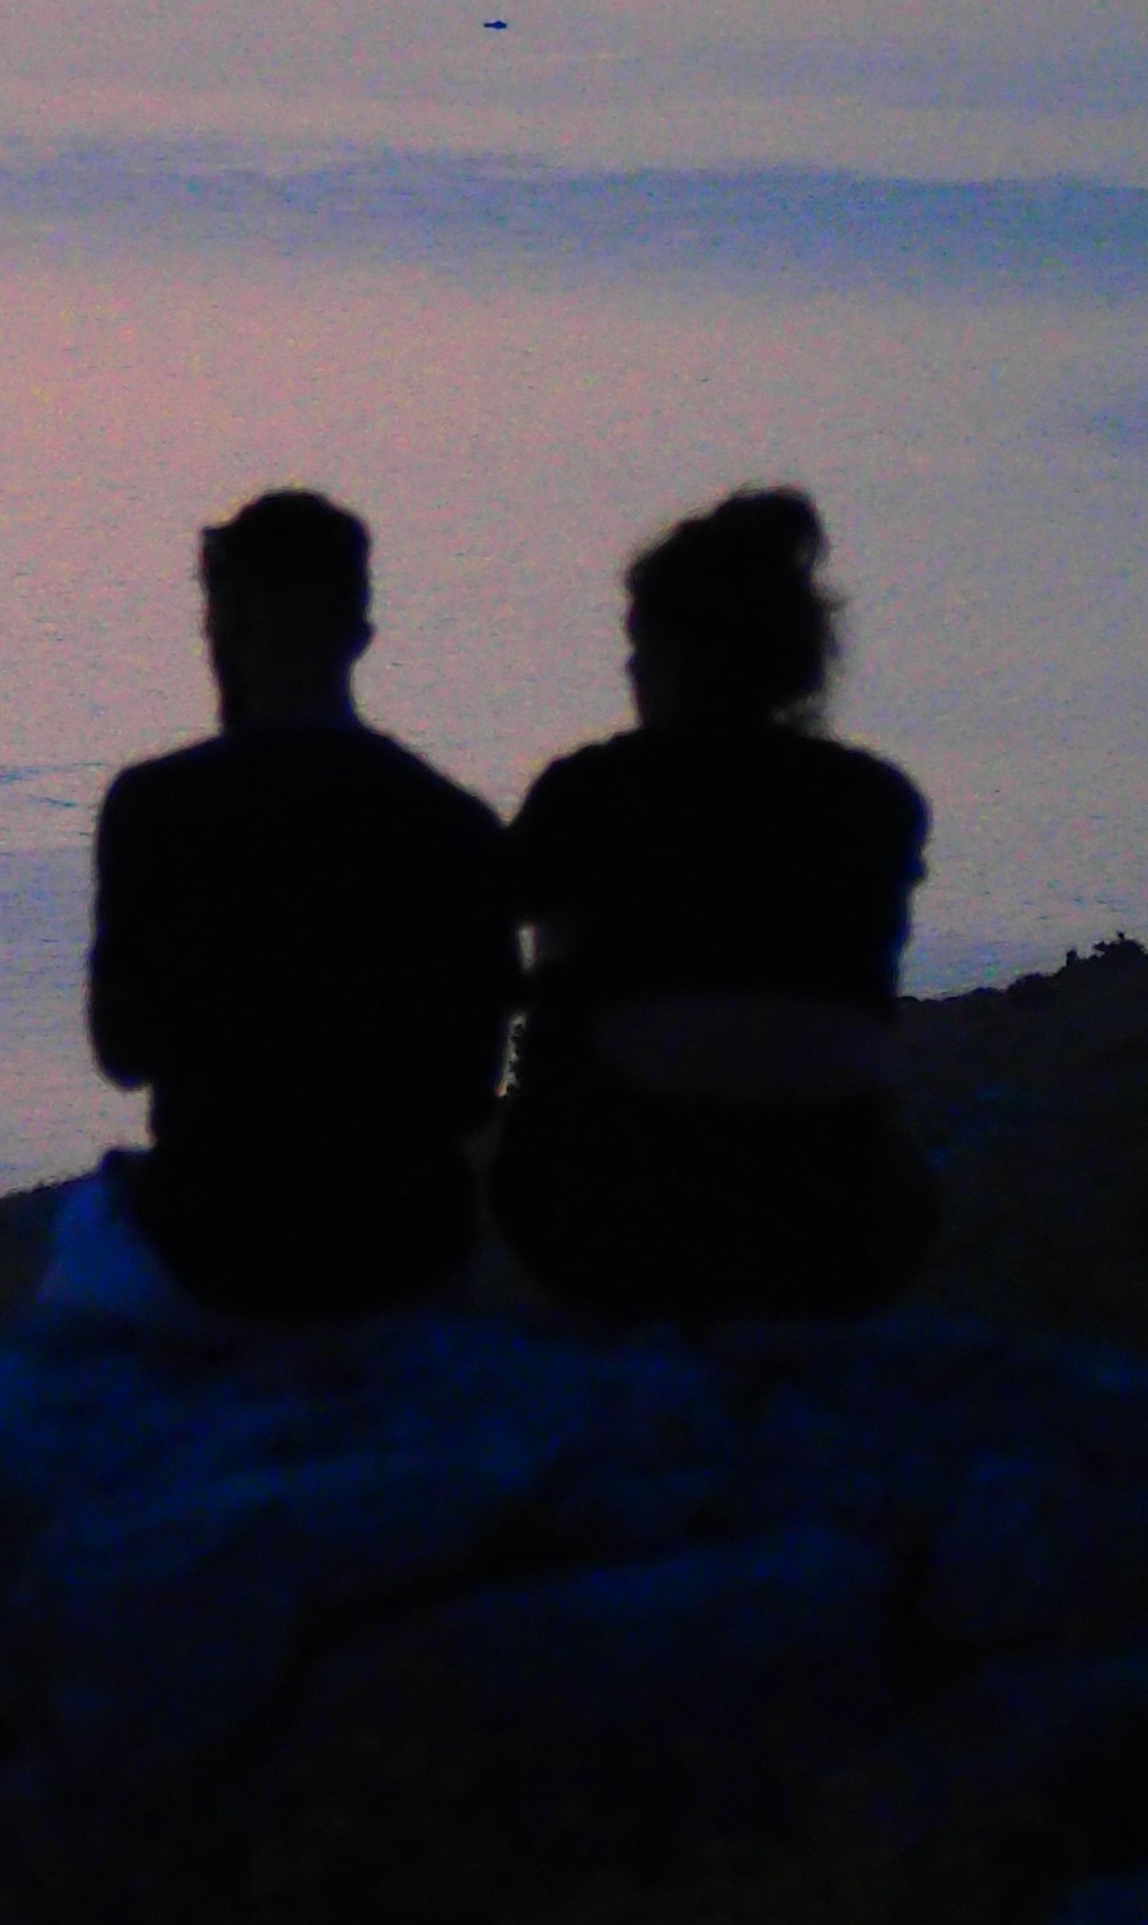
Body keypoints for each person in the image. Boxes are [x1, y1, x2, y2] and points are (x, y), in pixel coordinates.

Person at [51, 486, 516, 1336]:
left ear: (231, 626)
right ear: (358, 638)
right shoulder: (456, 825)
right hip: (399, 1249)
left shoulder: (157, 806)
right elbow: (466, 1091)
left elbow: (122, 1051)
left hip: (214, 1244)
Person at [491, 485, 934, 1323]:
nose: (629, 669)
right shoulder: (875, 802)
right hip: (851, 1225)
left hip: (621, 1223)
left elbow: (489, 951)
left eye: (639, 644)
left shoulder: (588, 794)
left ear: (673, 651)